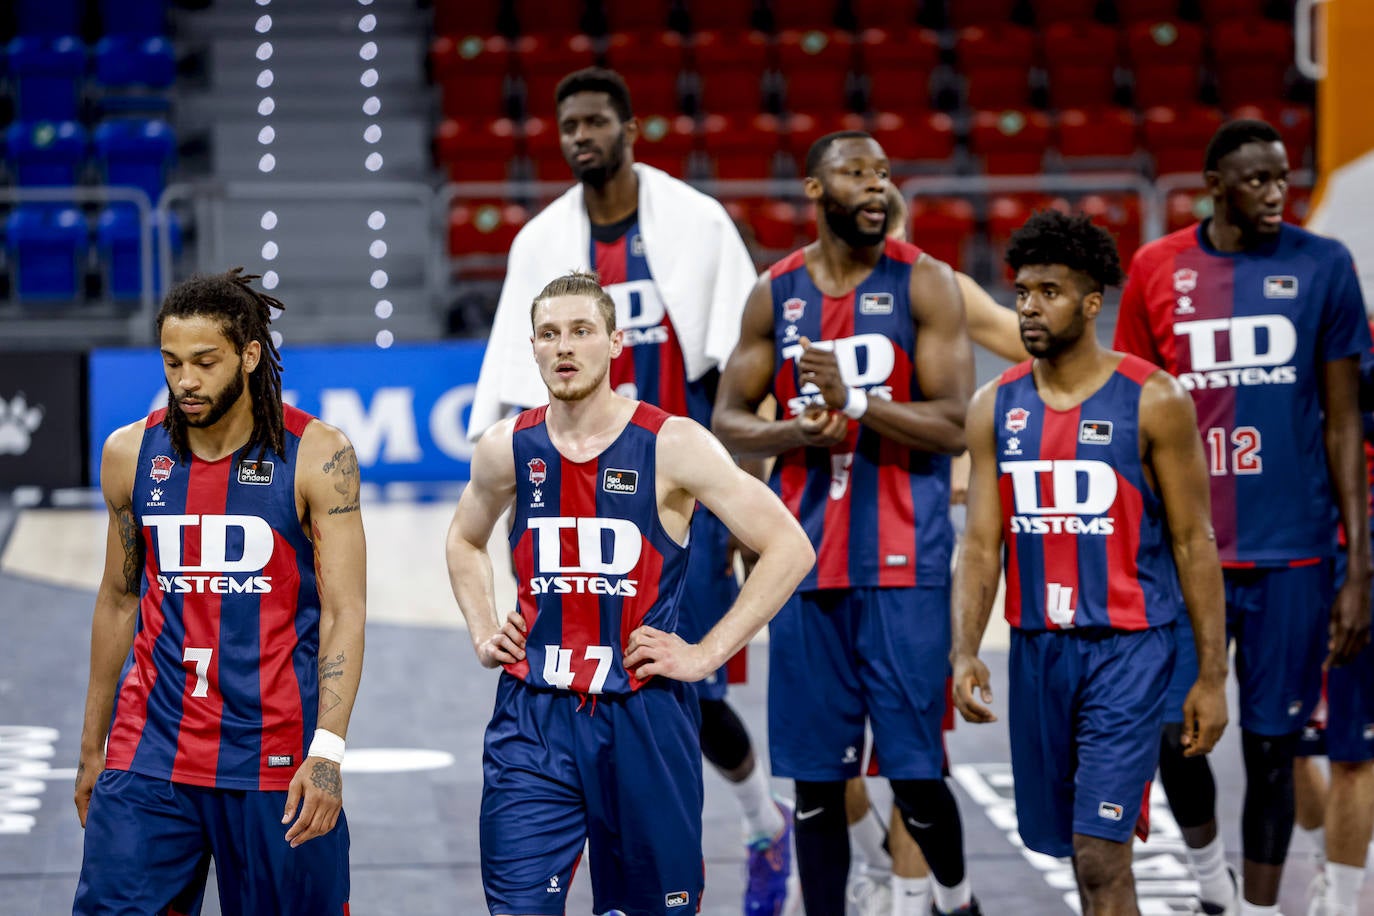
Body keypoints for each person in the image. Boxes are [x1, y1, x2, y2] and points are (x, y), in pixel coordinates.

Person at [465, 67, 795, 914]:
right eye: (566, 123)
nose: (581, 136)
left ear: (629, 127)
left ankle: (763, 823)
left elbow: (739, 363)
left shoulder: (696, 221)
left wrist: (737, 476)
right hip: (542, 682)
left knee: (696, 690)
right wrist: (488, 606)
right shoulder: (539, 241)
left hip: (670, 498)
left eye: (595, 121)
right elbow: (498, 405)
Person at [446, 271, 814, 915]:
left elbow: (789, 547)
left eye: (582, 331)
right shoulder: (504, 448)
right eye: (549, 334)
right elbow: (464, 540)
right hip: (531, 720)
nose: (565, 347)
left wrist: (705, 655)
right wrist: (483, 629)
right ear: (530, 347)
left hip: (644, 718)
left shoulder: (674, 444)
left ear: (617, 343)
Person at [713, 130, 980, 916]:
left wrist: (858, 406)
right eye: (854, 172)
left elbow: (958, 422)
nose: (873, 185)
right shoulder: (777, 292)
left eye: (882, 173)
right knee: (819, 787)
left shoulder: (925, 284)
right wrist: (797, 432)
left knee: (917, 778)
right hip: (805, 570)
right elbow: (728, 420)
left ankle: (958, 902)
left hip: (905, 570)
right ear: (814, 189)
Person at [1113, 118, 1373, 916]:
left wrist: (1356, 565)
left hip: (1294, 549)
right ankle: (1207, 877)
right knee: (1170, 734)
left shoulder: (1324, 264)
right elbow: (1130, 412)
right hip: (1183, 551)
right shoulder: (1158, 267)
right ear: (1216, 183)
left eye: (1284, 179)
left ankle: (1256, 911)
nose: (1276, 194)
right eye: (1257, 180)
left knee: (1273, 747)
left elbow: (1343, 421)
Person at [951, 209, 1229, 915]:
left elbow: (1195, 541)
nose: (1029, 306)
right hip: (1039, 653)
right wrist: (963, 651)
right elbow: (983, 542)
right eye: (1021, 292)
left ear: (1092, 302)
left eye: (1049, 291)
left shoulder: (1154, 398)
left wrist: (1211, 676)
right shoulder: (995, 404)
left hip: (1129, 653)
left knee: (1100, 856)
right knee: (1076, 854)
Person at [72, 269, 365, 914]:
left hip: (276, 763)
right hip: (148, 753)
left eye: (205, 362)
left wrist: (328, 751)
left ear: (250, 355)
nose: (186, 381)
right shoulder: (130, 453)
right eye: (172, 362)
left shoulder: (318, 454)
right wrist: (93, 745)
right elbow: (119, 599)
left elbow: (346, 611)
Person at [843, 186, 1029, 916]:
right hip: (826, 531)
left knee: (909, 748)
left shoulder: (937, 286)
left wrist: (980, 454)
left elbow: (1034, 345)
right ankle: (876, 867)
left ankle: (913, 891)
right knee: (825, 752)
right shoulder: (798, 291)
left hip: (908, 532)